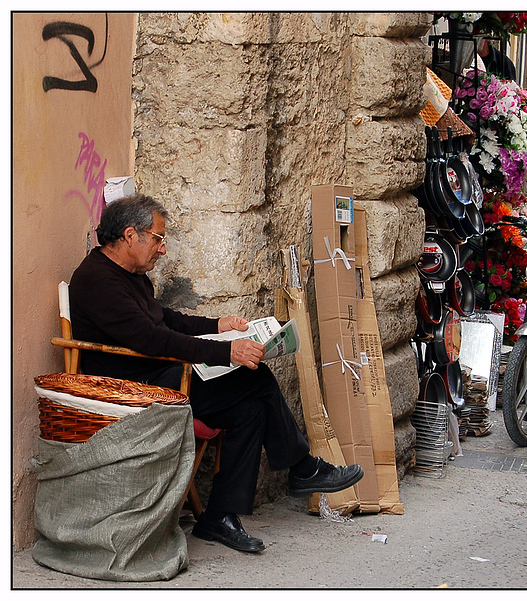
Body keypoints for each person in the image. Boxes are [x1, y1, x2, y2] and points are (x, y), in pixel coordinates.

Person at [69, 194, 364, 554]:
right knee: (253, 380)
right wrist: (227, 351)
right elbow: (152, 338)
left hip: (160, 374)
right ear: (131, 235)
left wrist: (218, 325)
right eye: (159, 238)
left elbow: (164, 319)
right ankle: (301, 468)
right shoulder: (97, 280)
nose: (163, 249)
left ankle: (220, 516)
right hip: (133, 389)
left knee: (250, 407)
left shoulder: (130, 274)